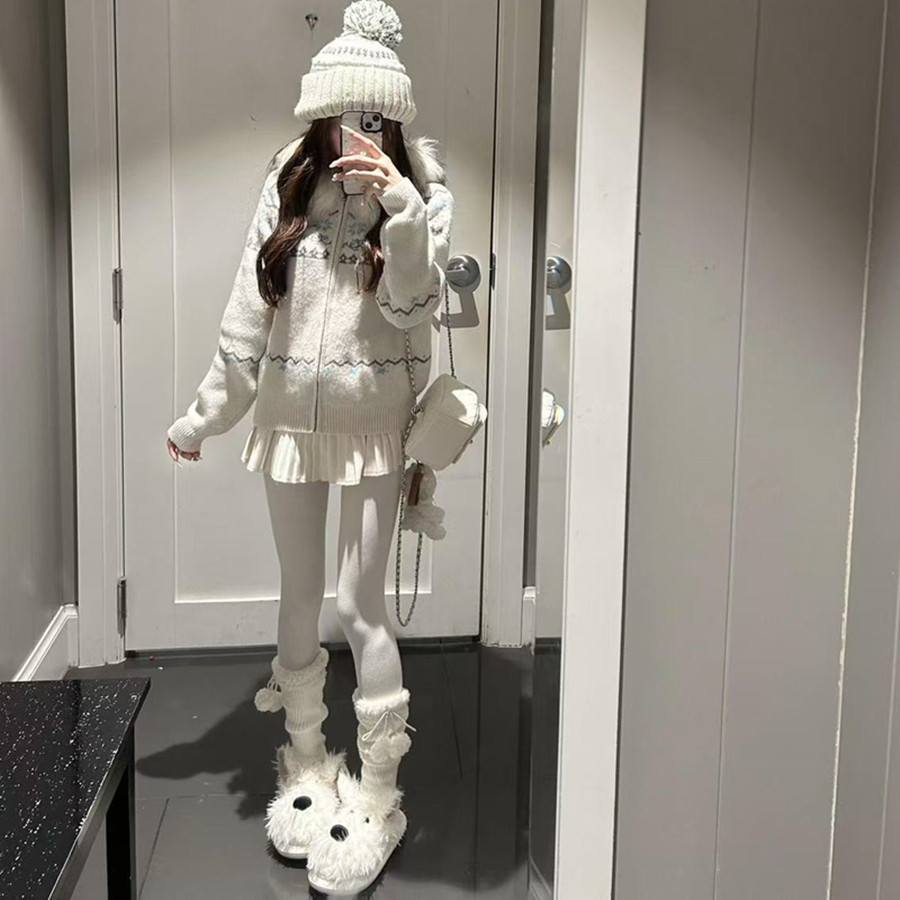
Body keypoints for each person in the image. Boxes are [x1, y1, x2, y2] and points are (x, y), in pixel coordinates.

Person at [164, 1, 453, 892]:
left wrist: (401, 216)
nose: (360, 131)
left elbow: (414, 306)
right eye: (345, 113)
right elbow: (247, 313)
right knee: (298, 596)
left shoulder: (422, 195)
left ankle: (379, 797)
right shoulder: (289, 178)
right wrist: (204, 416)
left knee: (360, 605)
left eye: (377, 116)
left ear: (393, 118)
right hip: (289, 419)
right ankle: (303, 758)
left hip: (375, 425)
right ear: (323, 110)